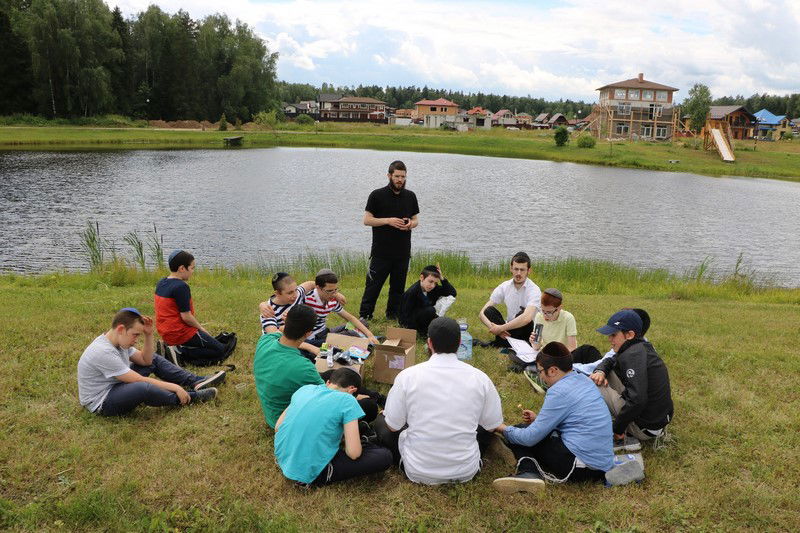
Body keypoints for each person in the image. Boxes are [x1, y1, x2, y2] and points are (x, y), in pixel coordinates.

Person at [374, 317, 504, 485]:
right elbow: (491, 425)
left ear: (429, 343)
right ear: (459, 343)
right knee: (484, 425)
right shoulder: (480, 378)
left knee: (381, 421)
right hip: (466, 471)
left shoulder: (407, 376)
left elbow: (393, 426)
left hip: (417, 470)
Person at [492, 342, 615, 492]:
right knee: (524, 431)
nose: (540, 376)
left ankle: (529, 471)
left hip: (581, 468)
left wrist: (502, 428)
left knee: (519, 434)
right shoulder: (584, 380)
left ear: (553, 370)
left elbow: (529, 438)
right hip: (601, 464)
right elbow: (574, 420)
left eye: (540, 371)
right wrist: (538, 420)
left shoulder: (559, 391)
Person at [77, 308, 223, 416]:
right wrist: (175, 387)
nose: (136, 340)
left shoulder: (118, 341)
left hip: (117, 385)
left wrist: (148, 335)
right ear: (121, 329)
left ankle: (196, 381)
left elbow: (146, 361)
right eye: (135, 335)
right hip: (103, 402)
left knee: (153, 358)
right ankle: (189, 397)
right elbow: (138, 380)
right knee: (142, 388)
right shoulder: (103, 351)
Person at [274, 368, 393, 486]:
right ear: (352, 390)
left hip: (282, 457)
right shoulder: (348, 400)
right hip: (308, 471)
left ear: (328, 382)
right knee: (384, 456)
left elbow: (278, 427)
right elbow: (354, 453)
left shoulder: (305, 389)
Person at [590, 310, 674, 449]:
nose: (610, 339)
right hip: (657, 421)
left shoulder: (632, 355)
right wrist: (600, 371)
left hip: (643, 428)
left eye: (613, 335)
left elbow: (637, 400)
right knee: (604, 374)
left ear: (629, 335)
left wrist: (618, 429)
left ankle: (600, 424)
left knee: (591, 383)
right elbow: (611, 361)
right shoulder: (639, 347)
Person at [359, 160, 420, 322]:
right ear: (389, 176)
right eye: (397, 176)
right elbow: (367, 220)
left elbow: (416, 220)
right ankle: (365, 315)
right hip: (381, 252)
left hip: (402, 252)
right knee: (373, 287)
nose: (400, 180)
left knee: (398, 289)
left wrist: (410, 224)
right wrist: (388, 221)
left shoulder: (410, 196)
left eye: (403, 177)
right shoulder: (377, 195)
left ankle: (392, 315)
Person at [154, 250, 234, 366]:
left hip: (165, 332)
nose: (193, 271)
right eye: (192, 268)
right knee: (221, 350)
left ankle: (171, 348)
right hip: (179, 333)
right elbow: (186, 317)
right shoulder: (181, 287)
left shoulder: (161, 282)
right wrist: (201, 328)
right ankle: (179, 352)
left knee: (212, 344)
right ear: (182, 268)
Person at [253, 304, 324, 429]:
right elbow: (328, 397)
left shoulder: (265, 341)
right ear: (308, 333)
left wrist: (262, 305)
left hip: (272, 416)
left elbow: (274, 329)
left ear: (286, 322)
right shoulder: (303, 367)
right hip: (288, 423)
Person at [257, 272, 341, 362]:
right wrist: (312, 348)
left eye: (295, 290)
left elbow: (312, 284)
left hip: (300, 339)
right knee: (310, 358)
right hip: (281, 349)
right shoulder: (268, 311)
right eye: (290, 293)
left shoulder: (297, 294)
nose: (295, 295)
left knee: (332, 347)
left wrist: (335, 294)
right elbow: (277, 337)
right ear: (277, 293)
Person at [478, 252, 541, 351]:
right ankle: (507, 342)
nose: (518, 273)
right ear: (511, 268)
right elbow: (482, 313)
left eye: (522, 270)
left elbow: (527, 318)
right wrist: (495, 329)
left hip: (527, 332)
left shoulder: (534, 290)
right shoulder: (504, 286)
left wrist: (501, 328)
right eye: (516, 269)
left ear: (529, 271)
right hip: (509, 329)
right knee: (489, 310)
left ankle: (503, 343)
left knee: (522, 313)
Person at [305, 270, 379, 347]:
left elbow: (350, 318)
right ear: (318, 288)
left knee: (363, 322)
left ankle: (357, 337)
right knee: (352, 334)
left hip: (325, 331)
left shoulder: (332, 300)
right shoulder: (307, 299)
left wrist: (370, 335)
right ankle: (355, 337)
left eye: (335, 290)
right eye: (329, 291)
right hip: (314, 338)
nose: (333, 294)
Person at [398, 264, 457, 336]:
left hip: (428, 318)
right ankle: (426, 332)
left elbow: (452, 293)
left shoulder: (433, 288)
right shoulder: (411, 293)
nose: (432, 285)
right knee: (430, 310)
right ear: (422, 278)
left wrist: (442, 278)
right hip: (414, 323)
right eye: (430, 281)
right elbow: (404, 319)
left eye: (435, 283)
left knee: (449, 324)